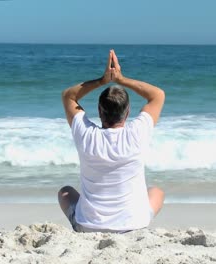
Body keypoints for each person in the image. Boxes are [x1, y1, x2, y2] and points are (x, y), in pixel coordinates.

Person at [58, 49, 165, 232]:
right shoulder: (138, 133)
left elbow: (68, 95)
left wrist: (102, 80)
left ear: (99, 111)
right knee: (157, 192)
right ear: (128, 111)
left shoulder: (86, 134)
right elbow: (157, 95)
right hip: (133, 225)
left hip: (88, 227)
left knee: (65, 192)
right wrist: (121, 79)